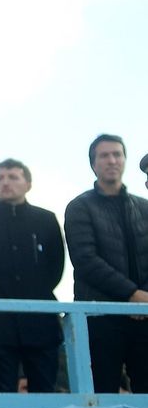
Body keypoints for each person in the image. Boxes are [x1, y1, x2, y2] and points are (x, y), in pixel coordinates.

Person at [0, 158, 66, 395]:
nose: (6, 183)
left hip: (41, 323)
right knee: (3, 392)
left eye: (13, 177)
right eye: (0, 178)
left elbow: (55, 267)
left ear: (28, 183)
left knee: (45, 392)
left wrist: (32, 292)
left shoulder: (46, 220)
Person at [63, 134, 148, 393]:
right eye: (104, 155)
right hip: (100, 318)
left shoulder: (144, 207)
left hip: (144, 318)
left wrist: (143, 297)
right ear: (93, 163)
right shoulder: (79, 207)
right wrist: (132, 295)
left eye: (117, 154)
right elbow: (86, 260)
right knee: (101, 394)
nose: (112, 160)